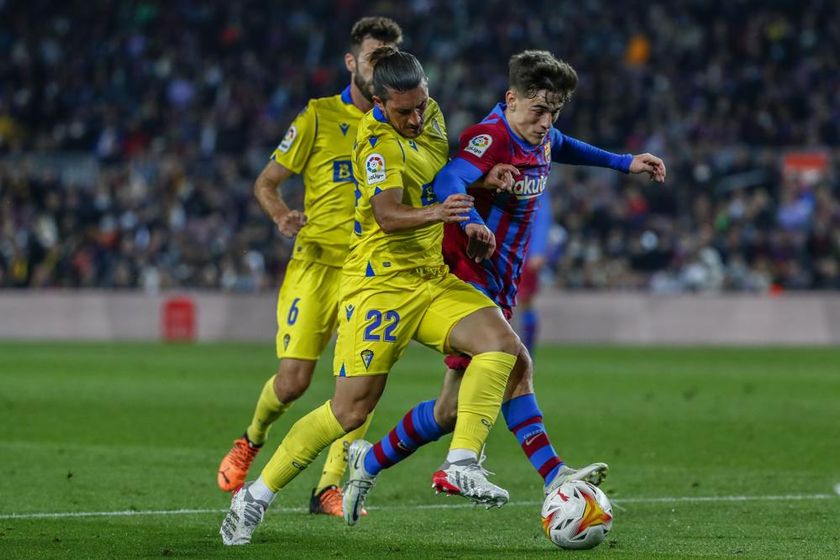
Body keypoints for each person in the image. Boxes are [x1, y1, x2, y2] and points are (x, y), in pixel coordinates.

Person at [341, 50, 667, 525]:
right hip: (468, 269)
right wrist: (472, 220)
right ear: (511, 100)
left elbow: (559, 143)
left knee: (450, 409)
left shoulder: (537, 131)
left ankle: (365, 463)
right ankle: (537, 472)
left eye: (553, 110)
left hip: (502, 275)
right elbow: (450, 176)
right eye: (538, 110)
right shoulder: (489, 137)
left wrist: (624, 162)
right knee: (515, 361)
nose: (546, 121)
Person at [220, 47, 523, 546]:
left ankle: (462, 461)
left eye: (420, 105)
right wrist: (442, 215)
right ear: (378, 104)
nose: (415, 117)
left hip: (429, 277)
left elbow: (442, 173)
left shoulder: (430, 113)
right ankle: (255, 496)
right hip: (378, 284)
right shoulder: (375, 144)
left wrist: (478, 191)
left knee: (502, 346)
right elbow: (387, 214)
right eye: (403, 110)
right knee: (350, 412)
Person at [215, 17, 404, 518]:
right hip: (316, 264)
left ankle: (329, 487)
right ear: (351, 62)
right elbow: (266, 182)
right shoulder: (318, 117)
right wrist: (281, 215)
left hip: (369, 272)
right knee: (293, 382)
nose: (378, 69)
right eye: (371, 60)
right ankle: (252, 438)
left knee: (359, 380)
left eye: (388, 61)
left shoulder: (400, 122)